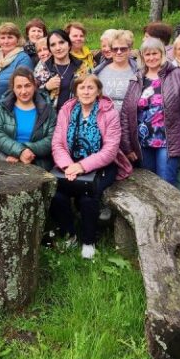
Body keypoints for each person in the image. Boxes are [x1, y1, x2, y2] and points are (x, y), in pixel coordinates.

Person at [50, 74, 121, 259]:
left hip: (101, 166)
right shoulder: (66, 110)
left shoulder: (109, 113)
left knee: (88, 197)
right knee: (58, 195)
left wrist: (82, 166)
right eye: (82, 87)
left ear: (98, 91)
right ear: (75, 91)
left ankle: (89, 241)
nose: (86, 91)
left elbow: (110, 150)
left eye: (91, 88)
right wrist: (68, 166)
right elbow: (57, 143)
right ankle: (70, 234)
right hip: (69, 165)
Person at [120, 37, 180, 186]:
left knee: (166, 183)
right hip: (143, 142)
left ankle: (170, 210)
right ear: (142, 57)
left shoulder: (178, 76)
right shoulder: (137, 79)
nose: (151, 58)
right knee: (148, 185)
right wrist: (128, 146)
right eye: (147, 54)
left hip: (169, 141)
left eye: (155, 53)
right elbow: (125, 114)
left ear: (162, 54)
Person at [0, 67, 57, 171]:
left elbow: (51, 139)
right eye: (19, 87)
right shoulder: (2, 107)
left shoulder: (48, 109)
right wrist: (19, 152)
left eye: (27, 86)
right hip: (7, 159)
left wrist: (25, 152)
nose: (23, 91)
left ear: (34, 86)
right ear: (13, 88)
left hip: (38, 163)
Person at [0, 22, 33, 116]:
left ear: (17, 39)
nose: (6, 41)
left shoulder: (23, 59)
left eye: (10, 37)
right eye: (2, 38)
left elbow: (22, 89)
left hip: (11, 111)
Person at [35, 29, 88, 109]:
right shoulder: (42, 68)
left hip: (75, 116)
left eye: (61, 42)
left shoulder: (82, 67)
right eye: (53, 45)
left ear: (69, 45)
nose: (58, 48)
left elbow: (91, 91)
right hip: (50, 118)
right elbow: (31, 93)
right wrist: (46, 87)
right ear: (49, 49)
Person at [94, 30, 137, 112]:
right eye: (115, 49)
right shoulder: (99, 71)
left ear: (130, 50)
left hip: (129, 120)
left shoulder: (138, 72)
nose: (119, 52)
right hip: (104, 120)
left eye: (123, 49)